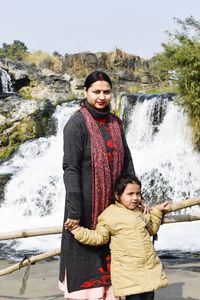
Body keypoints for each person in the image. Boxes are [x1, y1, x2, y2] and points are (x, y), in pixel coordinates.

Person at [59, 70, 144, 299]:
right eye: (96, 91)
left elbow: (127, 161)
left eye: (106, 92)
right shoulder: (76, 124)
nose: (101, 97)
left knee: (113, 266)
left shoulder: (115, 122)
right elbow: (71, 169)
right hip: (85, 207)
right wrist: (75, 210)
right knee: (86, 265)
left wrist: (135, 197)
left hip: (113, 208)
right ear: (86, 91)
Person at [70, 174, 171, 300]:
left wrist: (157, 211)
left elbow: (151, 229)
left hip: (148, 267)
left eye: (138, 193)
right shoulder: (109, 215)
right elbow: (99, 237)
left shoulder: (139, 211)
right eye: (130, 194)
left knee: (149, 297)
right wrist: (77, 230)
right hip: (128, 272)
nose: (135, 198)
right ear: (118, 196)